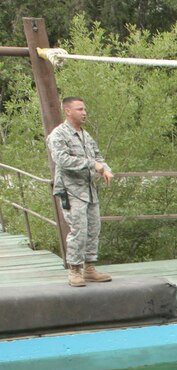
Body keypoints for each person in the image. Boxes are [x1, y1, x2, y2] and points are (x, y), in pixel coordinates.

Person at [47, 96, 114, 287]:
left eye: (84, 109)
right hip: (71, 190)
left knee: (93, 228)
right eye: (79, 109)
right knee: (78, 230)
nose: (84, 113)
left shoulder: (85, 135)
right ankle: (74, 270)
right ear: (67, 111)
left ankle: (90, 268)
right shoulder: (58, 135)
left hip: (89, 190)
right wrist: (93, 165)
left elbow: (98, 155)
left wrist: (105, 169)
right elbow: (62, 160)